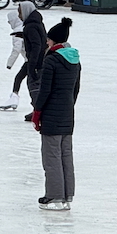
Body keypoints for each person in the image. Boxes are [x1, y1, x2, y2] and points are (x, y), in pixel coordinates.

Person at [33, 17, 81, 211]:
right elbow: (75, 90)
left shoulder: (52, 60)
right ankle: (67, 195)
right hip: (67, 115)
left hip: (52, 116)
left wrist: (37, 112)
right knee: (66, 155)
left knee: (51, 156)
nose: (46, 41)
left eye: (49, 39)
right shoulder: (75, 60)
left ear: (54, 41)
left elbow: (44, 90)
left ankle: (54, 196)